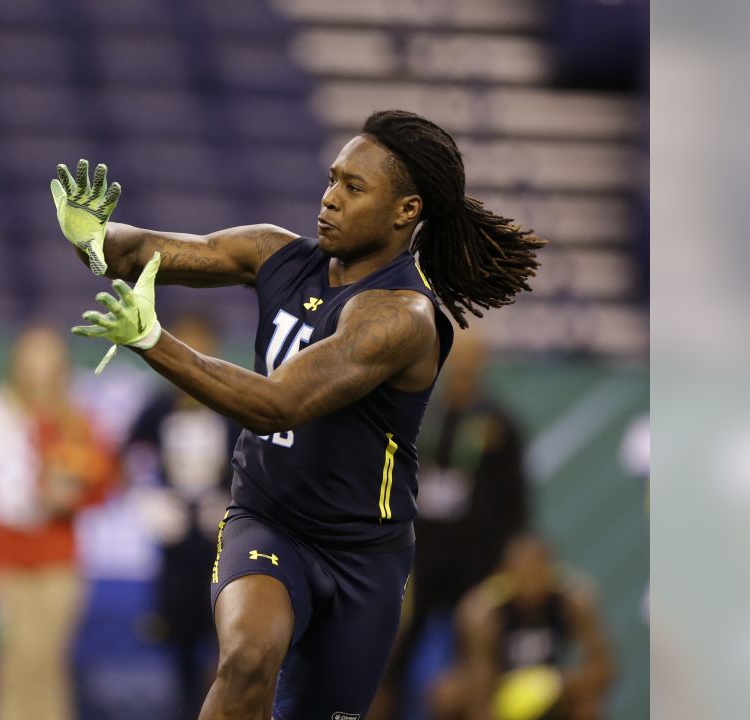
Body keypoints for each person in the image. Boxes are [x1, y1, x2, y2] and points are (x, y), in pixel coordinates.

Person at [50, 109, 546, 719]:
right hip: (268, 520)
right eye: (333, 179)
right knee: (247, 658)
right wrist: (93, 239)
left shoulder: (401, 317)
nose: (329, 198)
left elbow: (275, 403)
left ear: (406, 211)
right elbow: (146, 254)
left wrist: (155, 342)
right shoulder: (276, 253)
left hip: (364, 557)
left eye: (353, 187)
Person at [0, 325, 118, 720]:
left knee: (45, 664)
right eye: (31, 354)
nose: (38, 366)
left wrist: (69, 497)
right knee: (8, 665)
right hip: (3, 565)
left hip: (58, 564)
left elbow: (101, 484)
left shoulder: (77, 423)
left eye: (46, 355)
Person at [376, 330, 531, 720]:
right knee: (390, 653)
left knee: (477, 658)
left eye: (471, 360)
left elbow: (516, 502)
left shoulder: (500, 426)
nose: (462, 368)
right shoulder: (420, 414)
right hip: (420, 555)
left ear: (483, 365)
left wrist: (504, 562)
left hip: (479, 561)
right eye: (455, 359)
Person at [124, 314, 240, 719]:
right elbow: (131, 455)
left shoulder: (234, 403)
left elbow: (259, 457)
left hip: (222, 540)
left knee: (227, 634)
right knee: (178, 637)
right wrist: (147, 498)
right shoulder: (156, 407)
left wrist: (234, 500)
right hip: (174, 543)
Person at [428, 535, 614, 720]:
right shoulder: (485, 612)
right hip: (498, 687)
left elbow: (605, 666)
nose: (532, 583)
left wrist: (557, 684)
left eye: (537, 572)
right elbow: (480, 686)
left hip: (551, 685)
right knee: (447, 695)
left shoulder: (571, 600)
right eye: (524, 574)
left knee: (587, 704)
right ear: (506, 573)